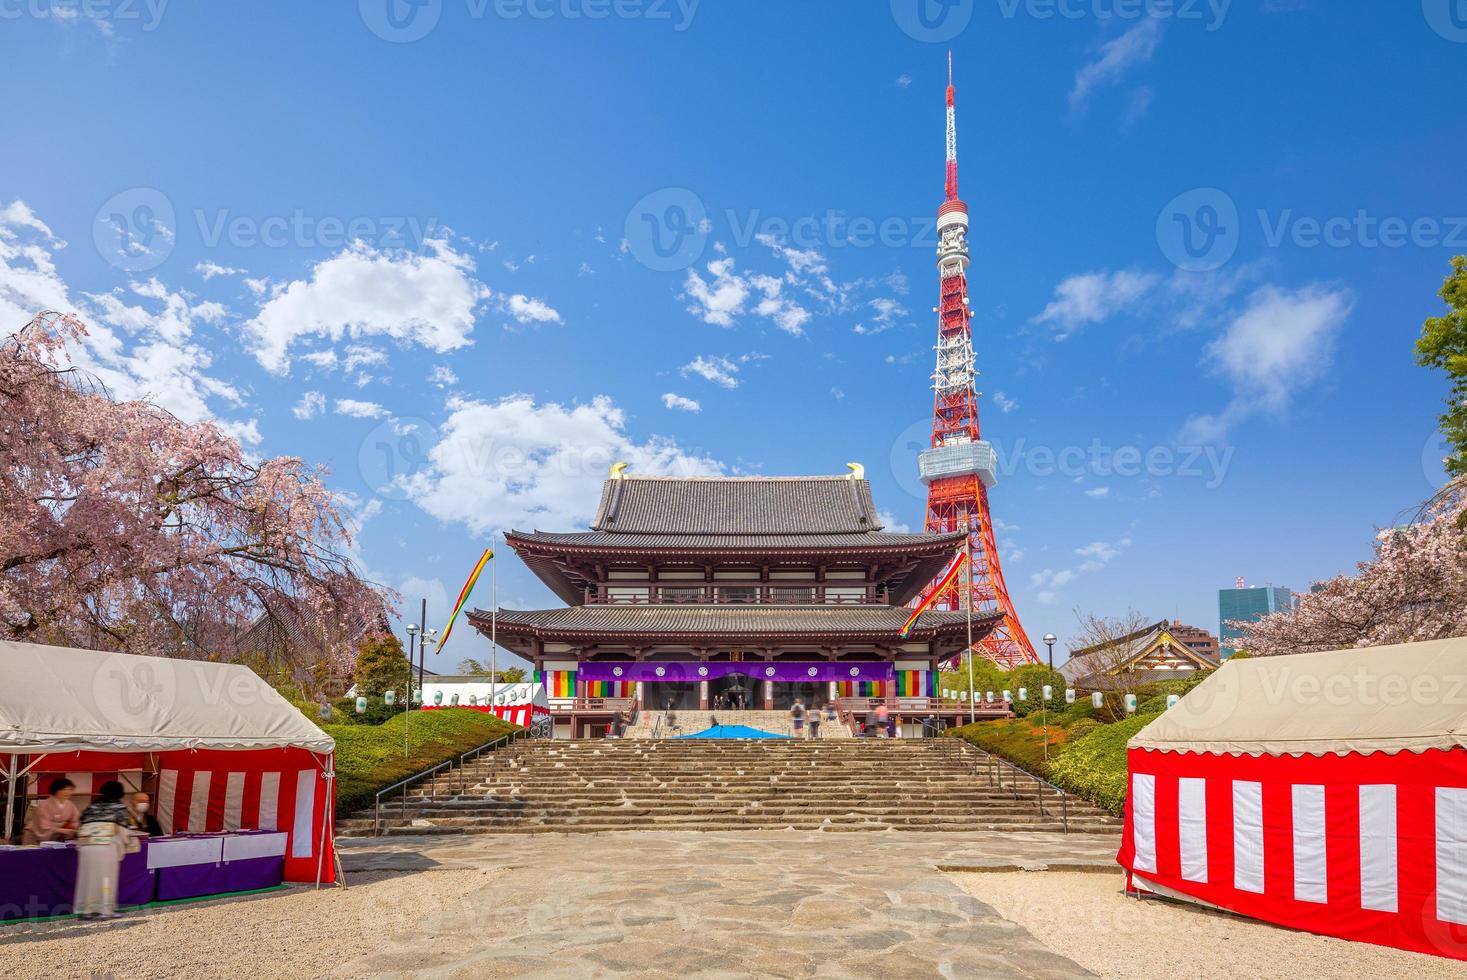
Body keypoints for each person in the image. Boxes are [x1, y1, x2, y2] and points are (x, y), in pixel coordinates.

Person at [74, 780, 138, 919]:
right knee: (106, 879)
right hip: (106, 846)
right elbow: (124, 830)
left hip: (87, 846)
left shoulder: (91, 807)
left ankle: (86, 910)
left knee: (87, 878)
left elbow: (80, 825)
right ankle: (105, 910)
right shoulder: (120, 808)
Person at [22, 778, 79, 845]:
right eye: (63, 789)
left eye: (70, 789)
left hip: (55, 838)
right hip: (35, 836)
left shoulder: (70, 804)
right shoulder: (44, 805)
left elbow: (76, 820)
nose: (67, 792)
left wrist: (76, 829)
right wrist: (64, 831)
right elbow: (43, 827)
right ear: (56, 790)